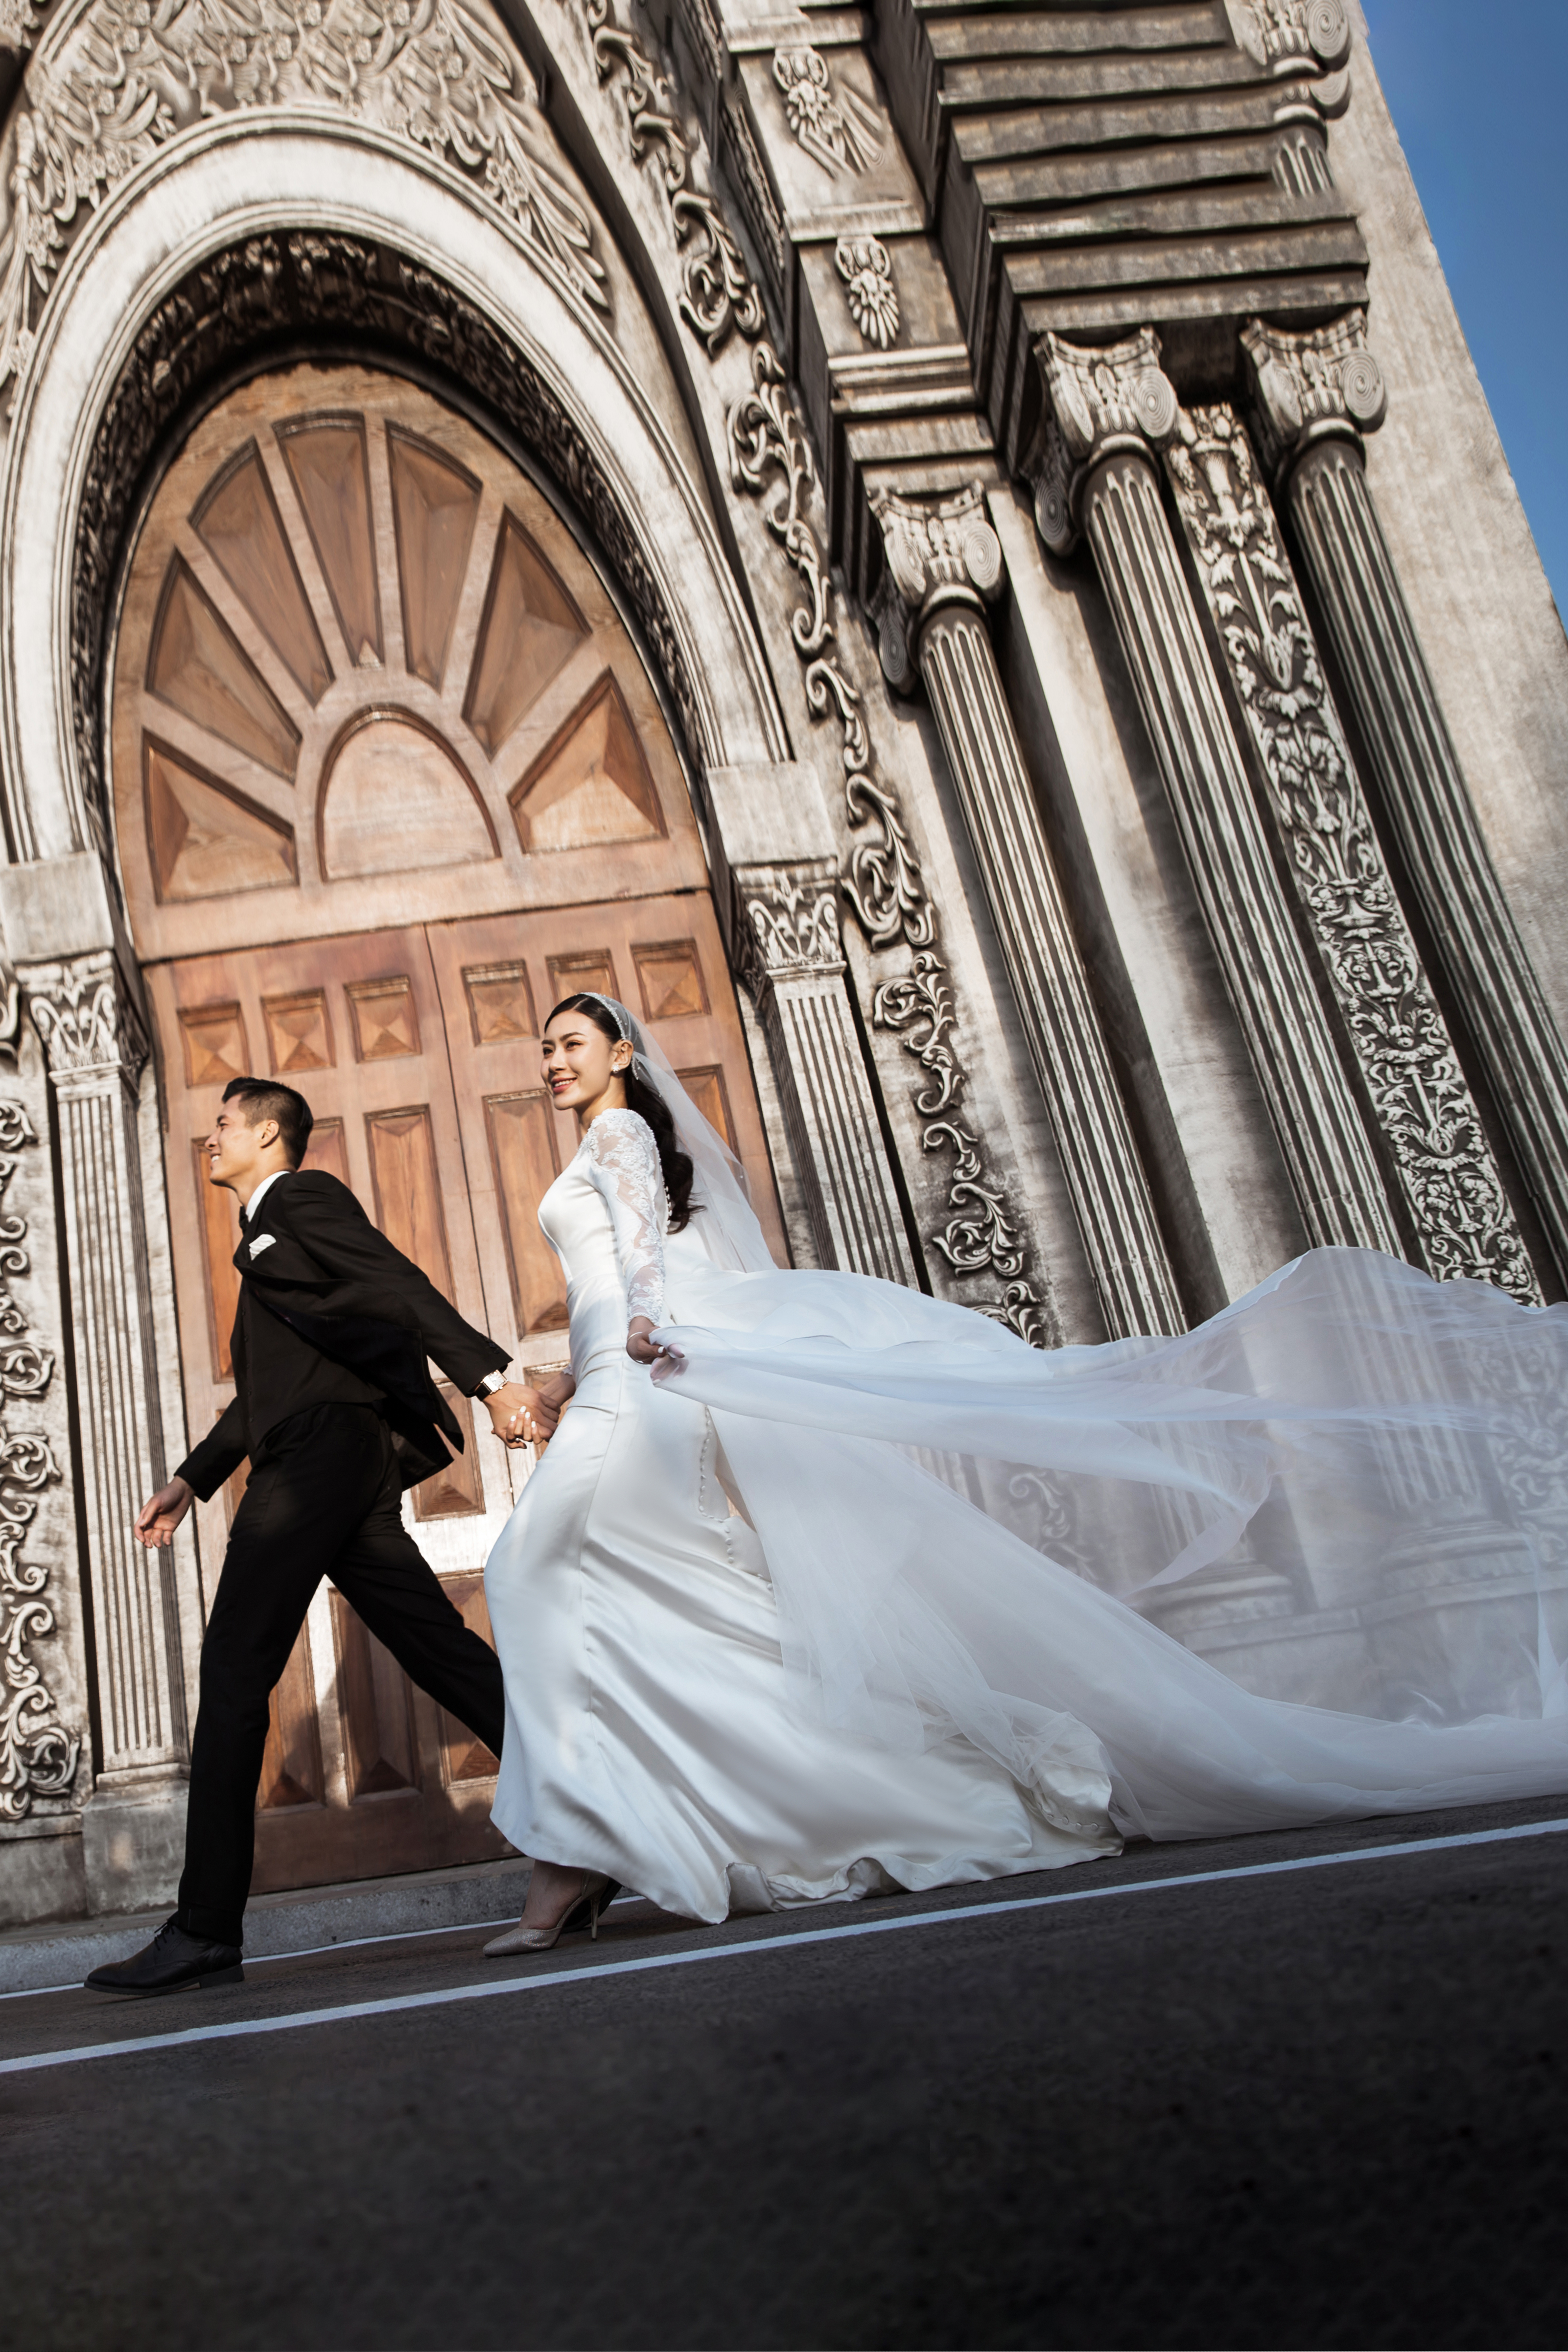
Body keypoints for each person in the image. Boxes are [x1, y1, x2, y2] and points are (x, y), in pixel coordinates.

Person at [479, 993, 1568, 1953]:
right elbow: (608, 1291)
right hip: (617, 1383)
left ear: (621, 1051)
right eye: (546, 1050)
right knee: (655, 1603)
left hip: (647, 1386)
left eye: (572, 1042)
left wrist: (655, 1331)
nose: (553, 1062)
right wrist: (578, 1377)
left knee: (531, 1573)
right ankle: (625, 1839)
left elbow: (642, 1260)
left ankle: (590, 1850)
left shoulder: (618, 1130)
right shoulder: (596, 1140)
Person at [90, 1075, 585, 1996]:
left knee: (237, 1670)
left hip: (316, 1467)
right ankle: (595, 1824)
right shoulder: (265, 1234)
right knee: (442, 1652)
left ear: (271, 1136)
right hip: (342, 1463)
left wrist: (492, 1380)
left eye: (226, 1123)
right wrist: (190, 1480)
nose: (212, 1136)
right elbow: (273, 1385)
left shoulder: (306, 1198)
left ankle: (202, 1929)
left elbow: (397, 1285)